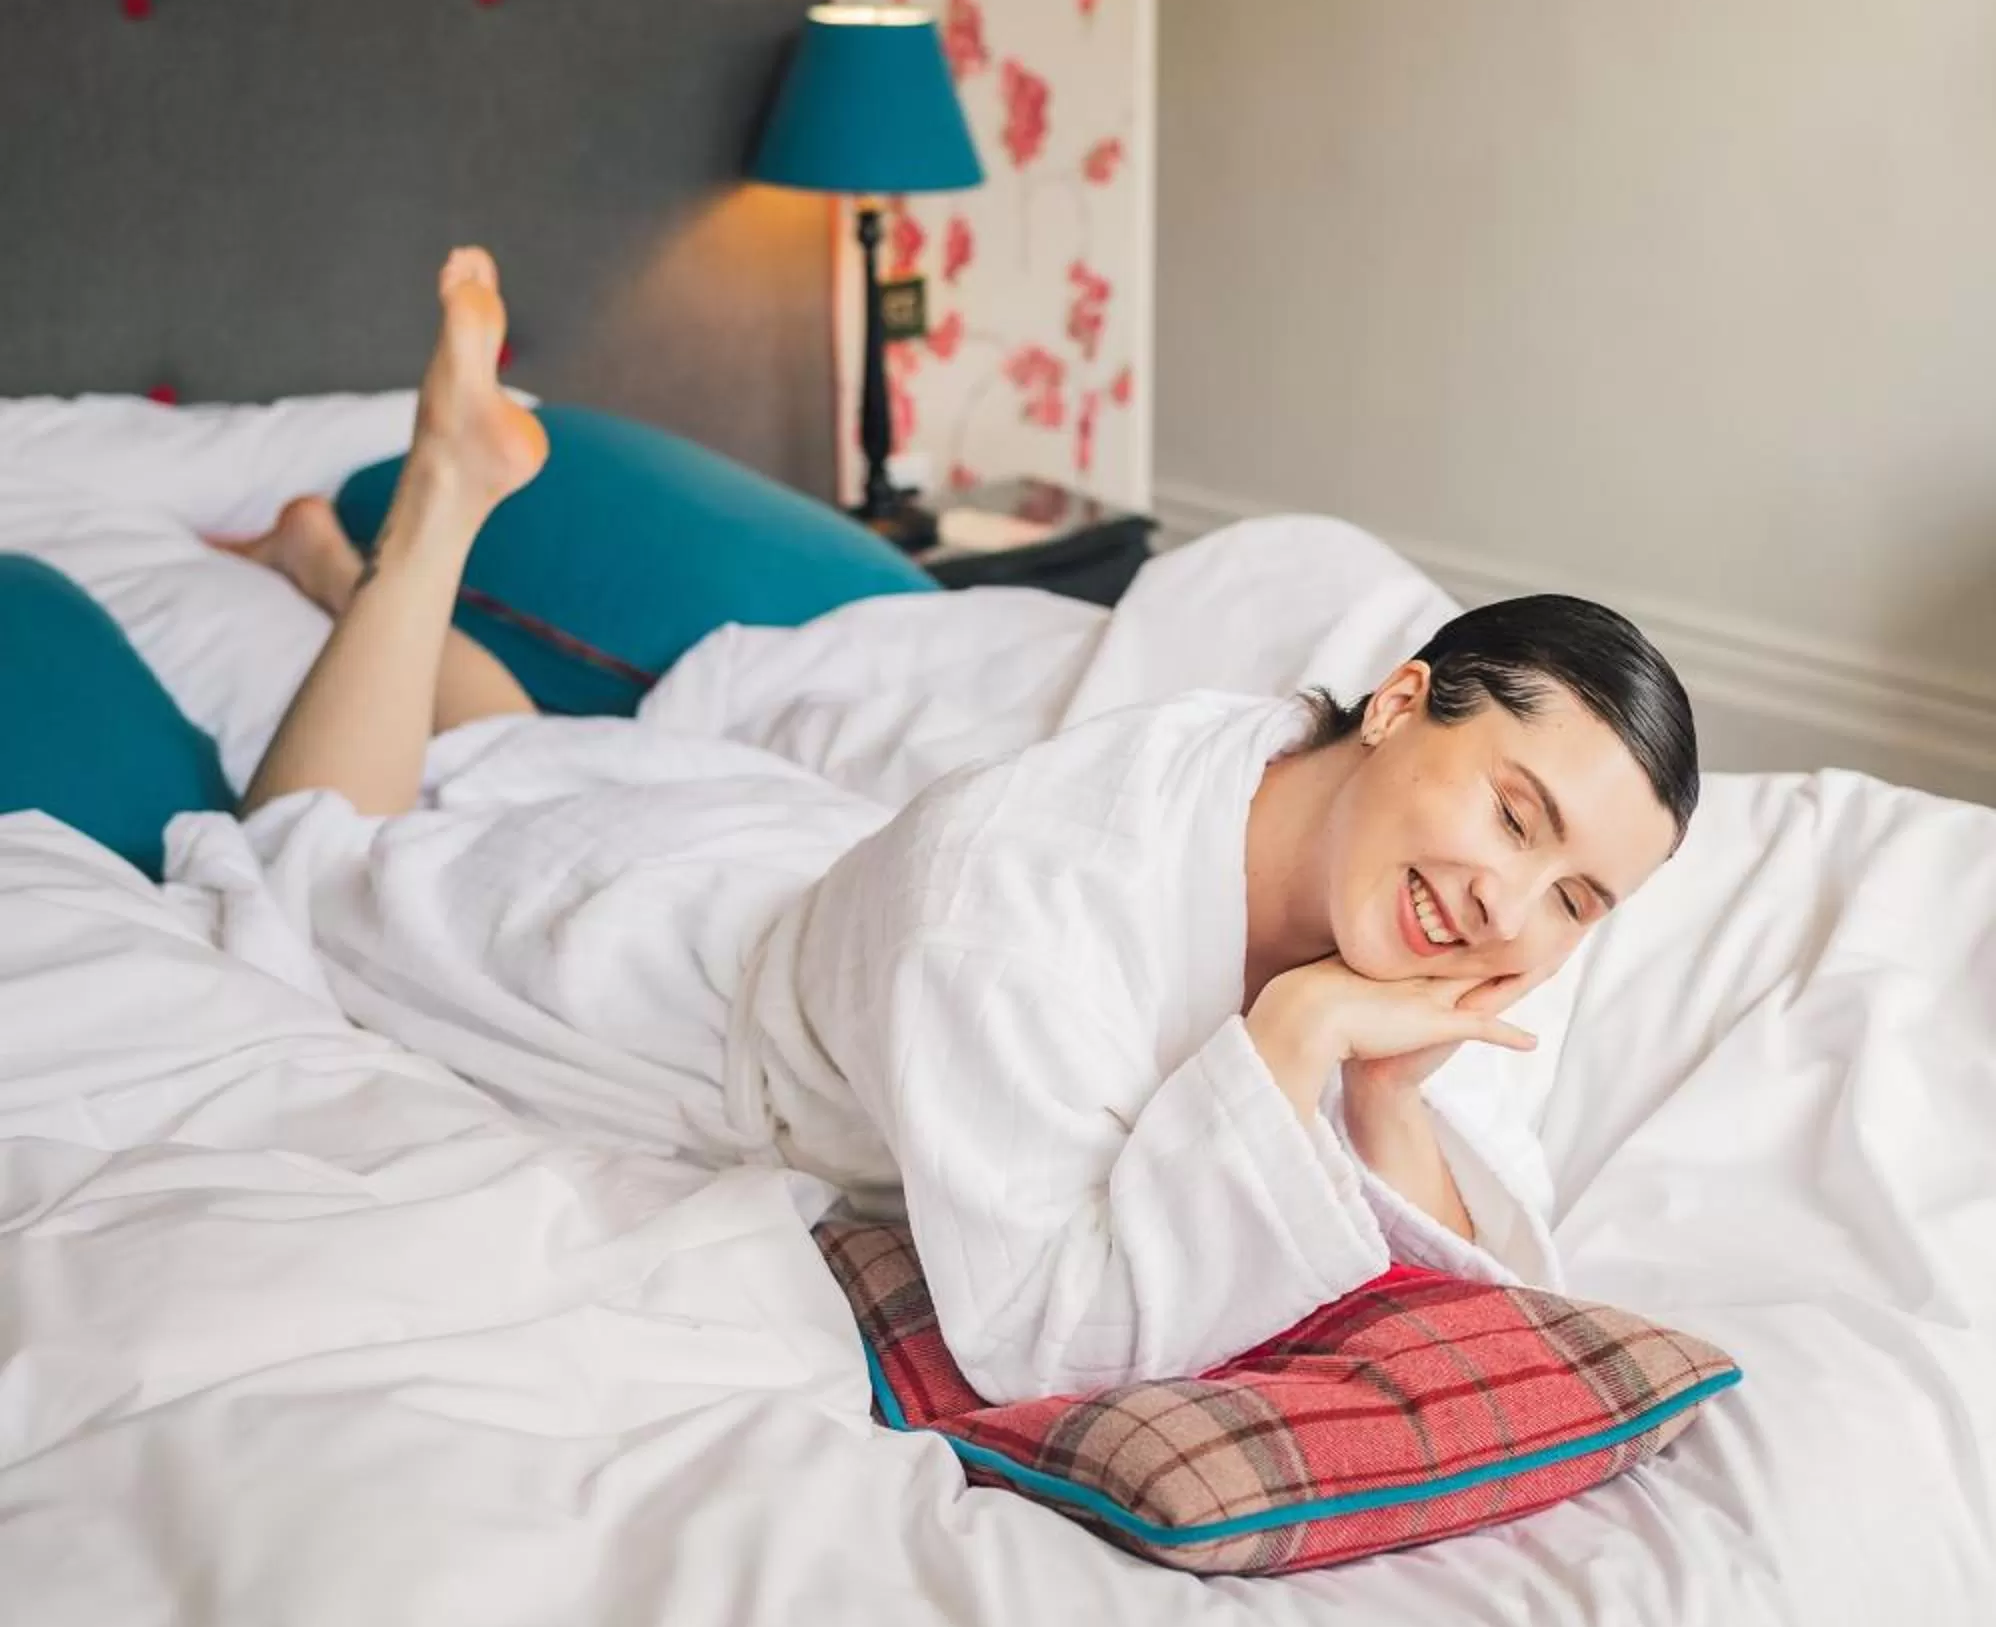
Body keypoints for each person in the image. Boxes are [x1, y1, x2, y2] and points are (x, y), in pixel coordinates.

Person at [225, 248, 1698, 1406]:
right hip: (677, 993)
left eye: (1577, 899)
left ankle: (331, 570)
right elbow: (1047, 1338)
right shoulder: (1040, 882)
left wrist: (1387, 1099)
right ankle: (433, 507)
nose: (1514, 908)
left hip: (800, 858)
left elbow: (1490, 1311)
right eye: (1516, 816)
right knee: (319, 855)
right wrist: (1290, 1045)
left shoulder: (1414, 921)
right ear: (1396, 702)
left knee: (531, 748)